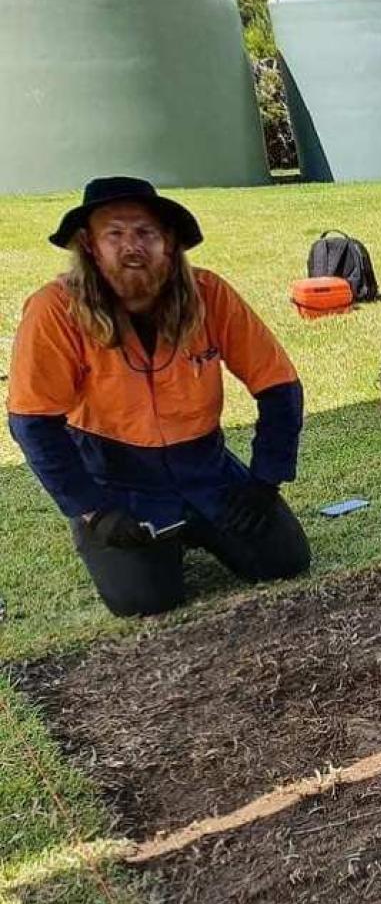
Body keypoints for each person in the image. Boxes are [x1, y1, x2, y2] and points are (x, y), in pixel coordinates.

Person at [7, 176, 309, 617]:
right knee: (146, 601)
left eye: (145, 233)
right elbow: (32, 423)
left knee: (285, 562)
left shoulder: (210, 294)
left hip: (206, 468)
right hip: (115, 477)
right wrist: (93, 509)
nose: (132, 246)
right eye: (115, 234)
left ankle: (194, 525)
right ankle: (112, 532)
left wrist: (264, 481)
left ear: (169, 242)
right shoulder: (55, 309)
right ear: (90, 245)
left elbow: (279, 386)